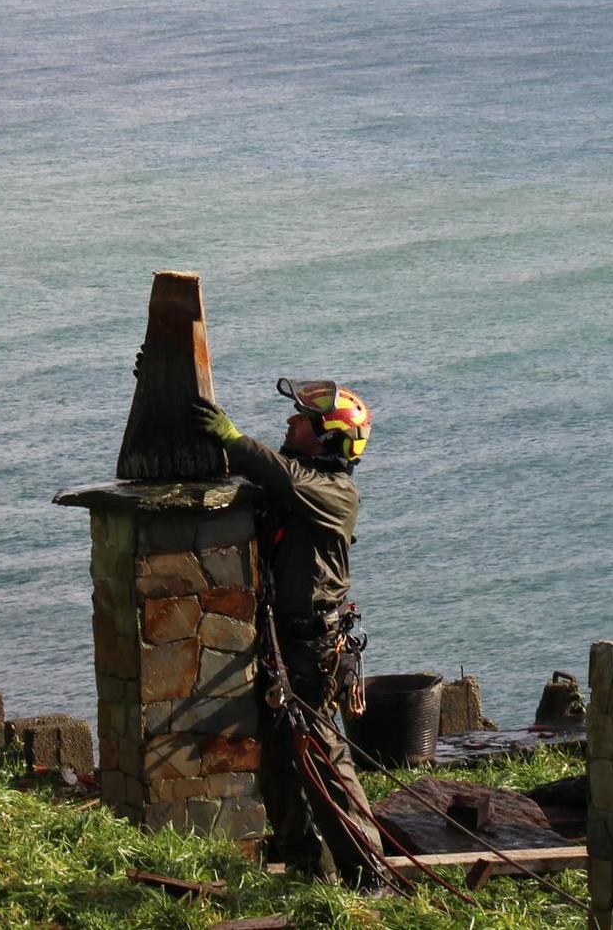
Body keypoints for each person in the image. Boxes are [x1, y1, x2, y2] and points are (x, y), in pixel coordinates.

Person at [191, 377, 385, 885]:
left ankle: (368, 872)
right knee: (278, 762)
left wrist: (233, 438)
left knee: (321, 755)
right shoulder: (296, 482)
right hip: (283, 641)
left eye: (299, 419)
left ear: (324, 436)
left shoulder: (333, 493)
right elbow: (270, 477)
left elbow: (280, 474)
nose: (289, 422)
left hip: (310, 644)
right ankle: (305, 865)